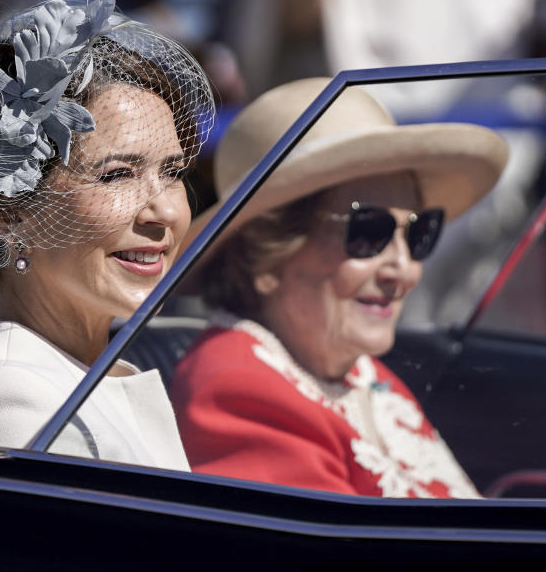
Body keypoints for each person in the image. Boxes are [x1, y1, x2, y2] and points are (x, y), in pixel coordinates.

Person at [0, 0, 214, 469]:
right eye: (117, 175)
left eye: (172, 171)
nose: (164, 211)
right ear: (9, 211)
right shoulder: (11, 402)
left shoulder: (85, 366)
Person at [170, 78, 507, 497]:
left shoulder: (361, 373)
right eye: (368, 232)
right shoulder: (238, 388)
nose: (404, 269)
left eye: (419, 232)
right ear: (266, 254)